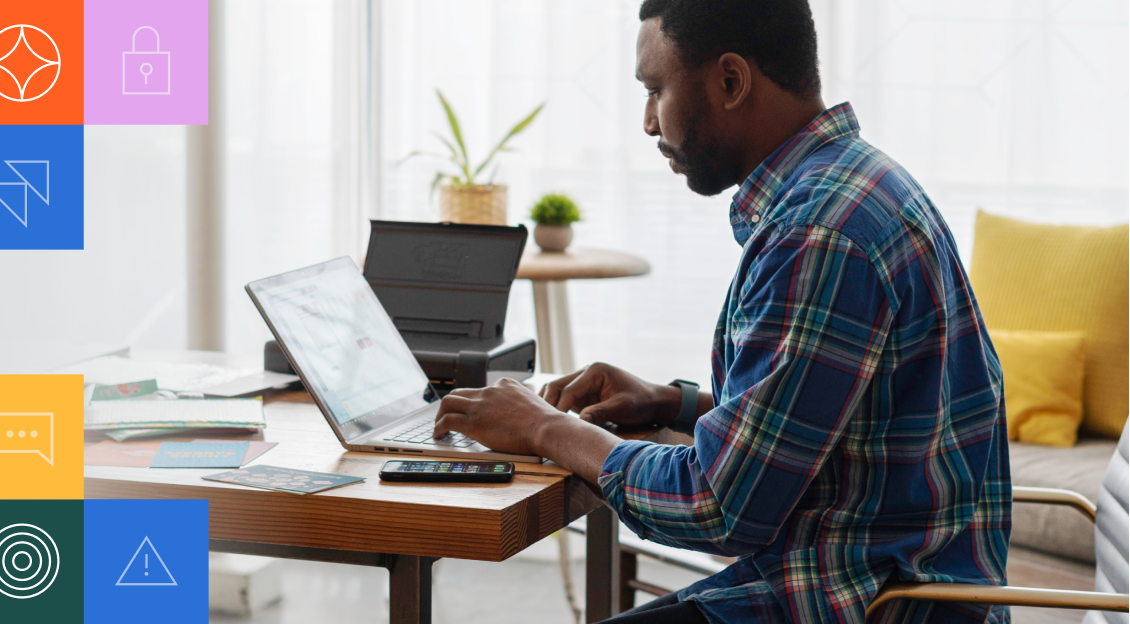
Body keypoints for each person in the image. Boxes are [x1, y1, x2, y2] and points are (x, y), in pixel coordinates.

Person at [433, 1, 1011, 622]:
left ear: (731, 81)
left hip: (862, 601)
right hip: (866, 578)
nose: (649, 122)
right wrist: (675, 404)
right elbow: (837, 430)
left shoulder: (818, 232)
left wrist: (547, 428)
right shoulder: (858, 183)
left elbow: (720, 505)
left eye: (656, 90)